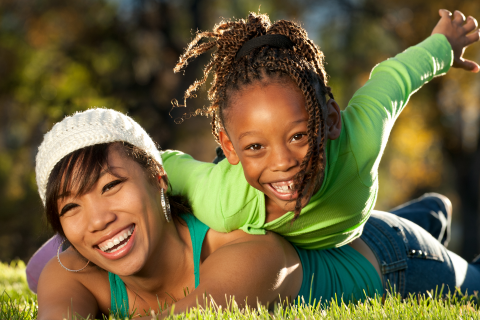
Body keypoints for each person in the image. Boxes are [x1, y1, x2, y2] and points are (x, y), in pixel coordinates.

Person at [36, 108, 480, 320]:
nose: (96, 221)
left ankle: (419, 222)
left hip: (391, 260)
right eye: (71, 207)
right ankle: (427, 212)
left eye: (112, 186)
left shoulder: (245, 251)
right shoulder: (72, 267)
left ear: (158, 178)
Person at [161, 9, 480, 250]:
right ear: (230, 148)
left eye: (297, 136)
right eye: (257, 147)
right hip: (330, 224)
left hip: (355, 226)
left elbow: (394, 79)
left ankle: (429, 212)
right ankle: (427, 213)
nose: (283, 162)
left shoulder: (360, 139)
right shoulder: (224, 201)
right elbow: (169, 167)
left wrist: (444, 46)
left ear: (330, 121)